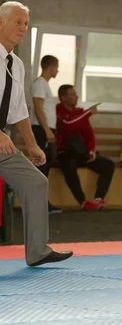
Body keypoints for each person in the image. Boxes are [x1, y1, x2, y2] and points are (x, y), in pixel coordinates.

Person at [0, 1, 72, 266]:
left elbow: (18, 110)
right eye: (17, 22)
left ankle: (37, 250)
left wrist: (32, 145)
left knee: (36, 182)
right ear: (0, 23)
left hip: (2, 143)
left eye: (26, 23)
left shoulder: (16, 65)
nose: (23, 27)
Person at [55, 85, 115, 211]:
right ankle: (83, 202)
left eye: (75, 94)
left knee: (108, 164)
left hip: (79, 152)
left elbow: (89, 134)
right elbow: (69, 124)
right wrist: (88, 113)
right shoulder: (58, 110)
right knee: (68, 165)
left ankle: (99, 198)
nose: (76, 96)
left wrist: (91, 150)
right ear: (63, 98)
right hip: (64, 152)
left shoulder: (80, 112)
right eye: (72, 94)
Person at [30, 54, 62, 214]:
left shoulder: (45, 85)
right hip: (41, 130)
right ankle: (39, 205)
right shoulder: (40, 84)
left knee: (46, 166)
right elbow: (37, 108)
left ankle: (42, 203)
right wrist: (47, 130)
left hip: (45, 130)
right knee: (41, 167)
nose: (58, 70)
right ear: (50, 67)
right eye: (56, 67)